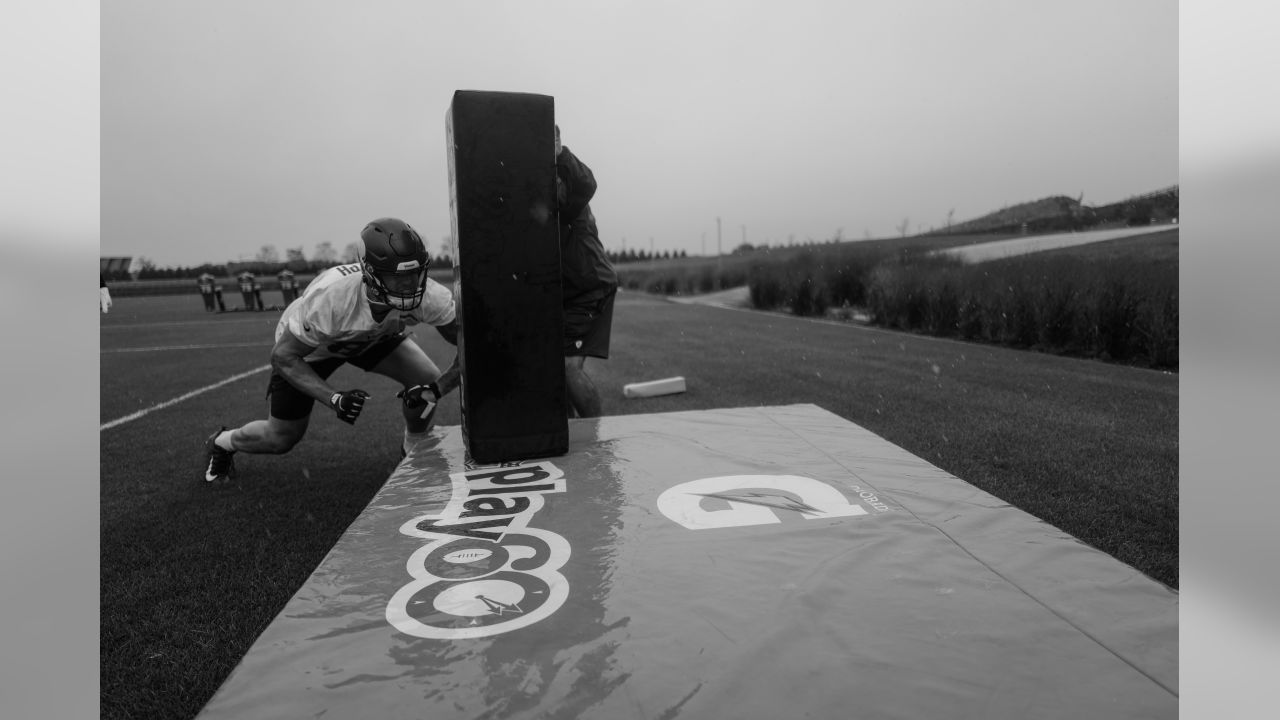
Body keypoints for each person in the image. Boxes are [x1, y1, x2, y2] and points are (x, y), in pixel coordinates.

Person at [202, 218, 460, 483]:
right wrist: (334, 398)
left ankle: (412, 446)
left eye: (413, 275)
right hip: (313, 349)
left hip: (373, 336)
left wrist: (438, 388)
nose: (409, 287)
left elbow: (473, 350)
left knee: (426, 378)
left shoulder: (429, 294)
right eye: (398, 279)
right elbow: (283, 356)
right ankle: (223, 442)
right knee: (281, 437)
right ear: (370, 275)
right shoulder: (332, 299)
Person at [555, 125, 618, 418]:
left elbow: (586, 183)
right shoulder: (539, 186)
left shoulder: (567, 185)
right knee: (553, 368)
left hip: (590, 287)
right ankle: (569, 429)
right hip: (570, 291)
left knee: (568, 368)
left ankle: (595, 432)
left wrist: (559, 152)